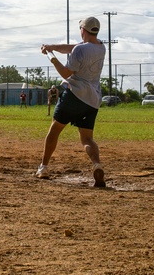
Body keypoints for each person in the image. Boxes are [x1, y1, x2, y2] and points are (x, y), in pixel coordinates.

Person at [36, 17, 107, 188]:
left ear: (83, 29)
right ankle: (97, 165)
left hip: (74, 95)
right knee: (87, 138)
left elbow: (66, 73)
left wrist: (52, 57)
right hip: (92, 100)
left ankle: (43, 168)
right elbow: (75, 48)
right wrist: (53, 47)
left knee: (54, 131)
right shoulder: (101, 47)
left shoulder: (80, 50)